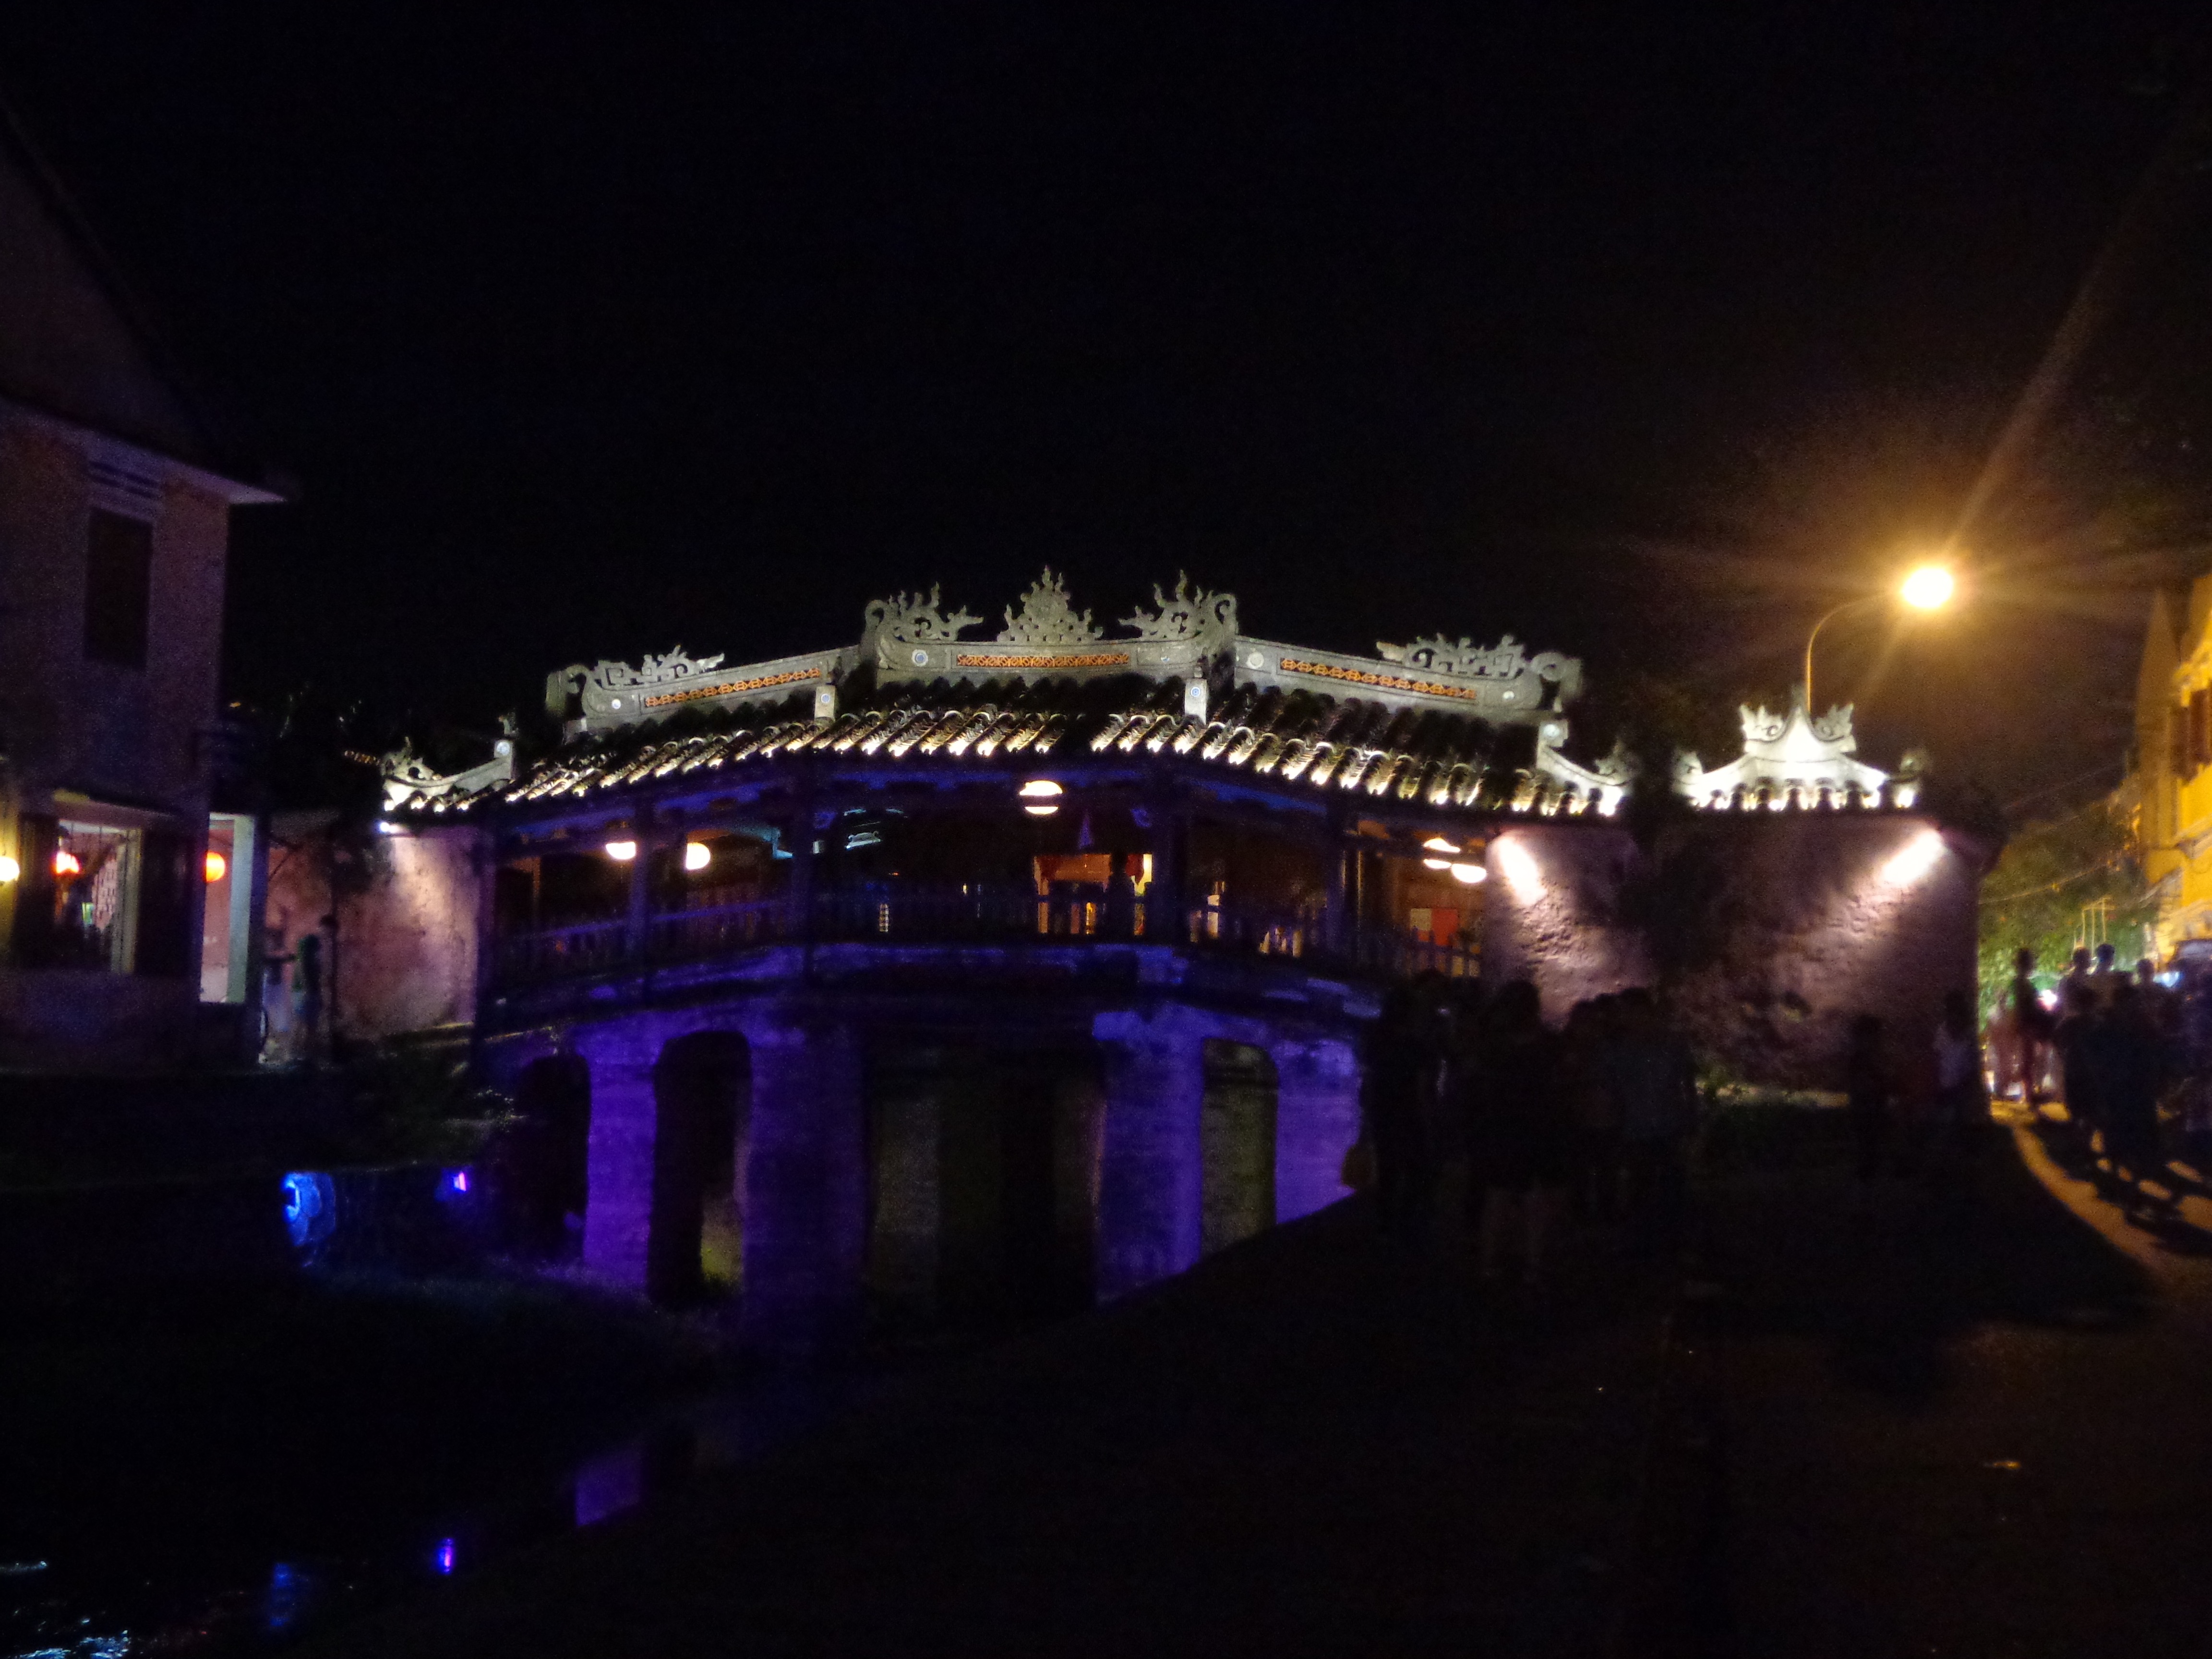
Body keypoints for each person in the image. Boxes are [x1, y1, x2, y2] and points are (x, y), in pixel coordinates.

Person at [1465, 978, 1568, 1287]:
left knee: (1497, 1195)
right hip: (1538, 1128)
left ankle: (1489, 1263)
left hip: (1501, 1128)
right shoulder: (1549, 1045)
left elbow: (1477, 1084)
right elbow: (1560, 1085)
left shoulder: (1492, 1046)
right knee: (1535, 1197)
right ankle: (1532, 1266)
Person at [1610, 988, 1699, 1254]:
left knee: (1665, 1190)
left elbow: (1687, 1086)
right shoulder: (1624, 1048)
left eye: (1628, 1012)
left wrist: (1691, 1124)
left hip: (1662, 1127)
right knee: (1645, 1190)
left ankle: (1663, 1244)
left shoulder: (1667, 1045)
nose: (1624, 1018)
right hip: (1644, 1128)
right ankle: (1652, 1245)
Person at [2087, 981, 2168, 1204]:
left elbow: (2155, 1051)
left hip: (2139, 1091)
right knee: (2116, 1136)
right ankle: (2117, 1180)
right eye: (2129, 1002)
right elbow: (2094, 1056)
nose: (2133, 1006)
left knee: (2138, 1139)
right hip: (2117, 1090)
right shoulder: (2106, 1027)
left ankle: (2131, 1184)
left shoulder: (2141, 1025)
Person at [1927, 988, 1985, 1182]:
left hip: (1961, 1086)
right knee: (1946, 1125)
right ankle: (1945, 1167)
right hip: (1946, 1084)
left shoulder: (1967, 1034)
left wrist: (1970, 1083)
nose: (1953, 1015)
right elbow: (1937, 1058)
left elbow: (1973, 1061)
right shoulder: (1943, 1031)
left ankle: (1956, 1167)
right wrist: (1935, 1081)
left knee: (1958, 1125)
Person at [1844, 1013, 1892, 1186]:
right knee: (1868, 1154)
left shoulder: (1862, 1060)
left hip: (1868, 1112)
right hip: (1867, 1112)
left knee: (1869, 1154)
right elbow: (1866, 1086)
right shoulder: (1863, 1061)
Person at [2008, 948, 2053, 1105]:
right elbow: (2023, 1006)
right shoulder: (2021, 983)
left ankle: (2029, 1092)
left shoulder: (2022, 982)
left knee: (2030, 1058)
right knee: (2028, 1059)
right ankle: (2029, 1094)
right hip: (2027, 1024)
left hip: (2028, 1023)